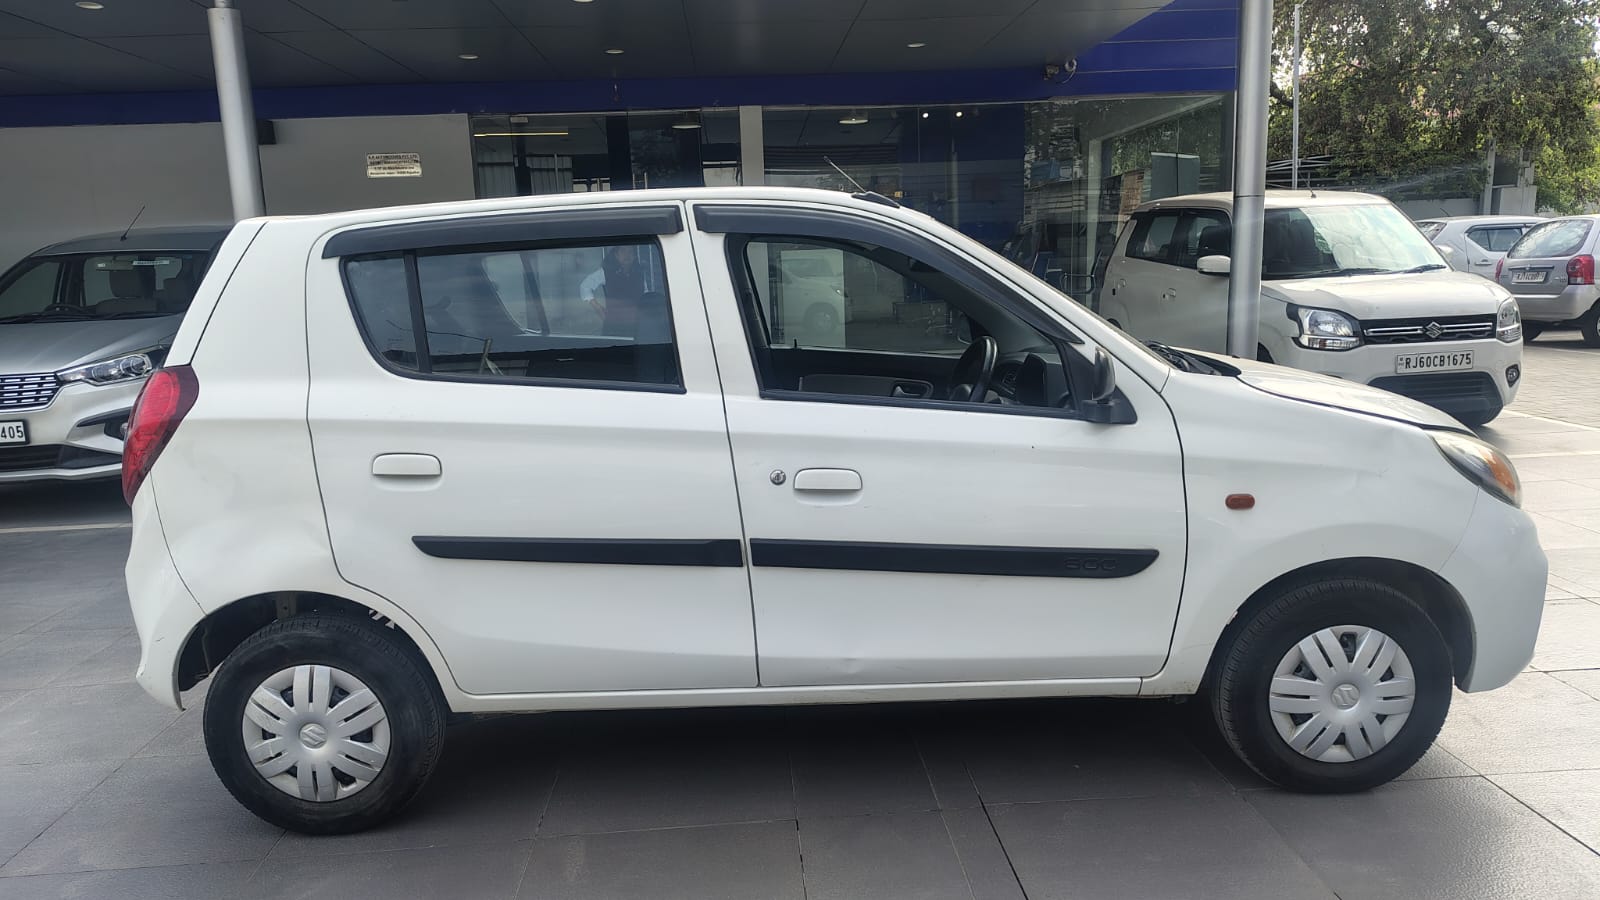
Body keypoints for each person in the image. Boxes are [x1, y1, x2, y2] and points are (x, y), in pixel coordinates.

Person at [579, 245, 656, 331]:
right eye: (623, 251)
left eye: (630, 252)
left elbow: (645, 294)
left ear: (634, 256)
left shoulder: (639, 273)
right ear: (616, 255)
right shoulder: (606, 272)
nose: (627, 255)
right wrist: (598, 309)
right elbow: (585, 286)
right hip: (614, 326)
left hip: (636, 326)